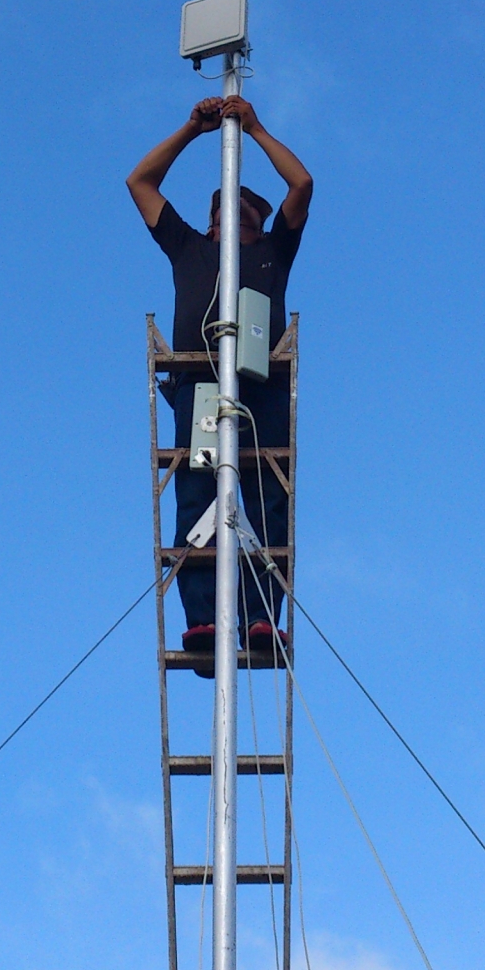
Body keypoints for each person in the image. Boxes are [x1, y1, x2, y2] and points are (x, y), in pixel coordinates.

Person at [126, 96, 314, 657]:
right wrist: (191, 129)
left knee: (263, 497)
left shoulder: (274, 253)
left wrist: (252, 128)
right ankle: (205, 618)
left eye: (246, 208)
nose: (233, 213)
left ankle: (260, 617)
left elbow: (301, 186)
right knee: (196, 495)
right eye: (222, 208)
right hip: (198, 385)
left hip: (262, 381)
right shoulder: (188, 248)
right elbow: (140, 182)